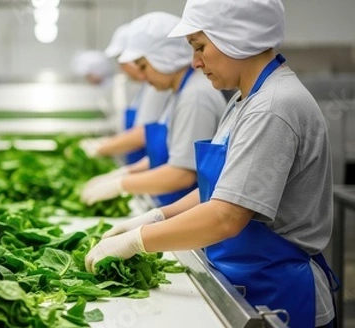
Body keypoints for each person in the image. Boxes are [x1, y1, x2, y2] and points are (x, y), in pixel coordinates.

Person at [84, 1, 338, 327]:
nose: (195, 62)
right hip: (248, 280)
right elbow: (220, 190)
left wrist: (138, 239)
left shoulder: (272, 108)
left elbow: (226, 217)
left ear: (238, 36)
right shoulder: (244, 100)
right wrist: (158, 215)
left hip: (282, 298)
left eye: (200, 47)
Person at [80, 12, 226, 207]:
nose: (140, 75)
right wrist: (127, 172)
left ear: (164, 57)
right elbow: (170, 152)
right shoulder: (179, 93)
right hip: (172, 204)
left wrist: (121, 184)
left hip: (187, 212)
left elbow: (183, 174)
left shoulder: (195, 96)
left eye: (143, 66)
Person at [80, 23, 173, 165]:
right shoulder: (143, 88)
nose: (121, 67)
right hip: (143, 164)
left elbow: (144, 133)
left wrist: (101, 148)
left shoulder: (159, 87)